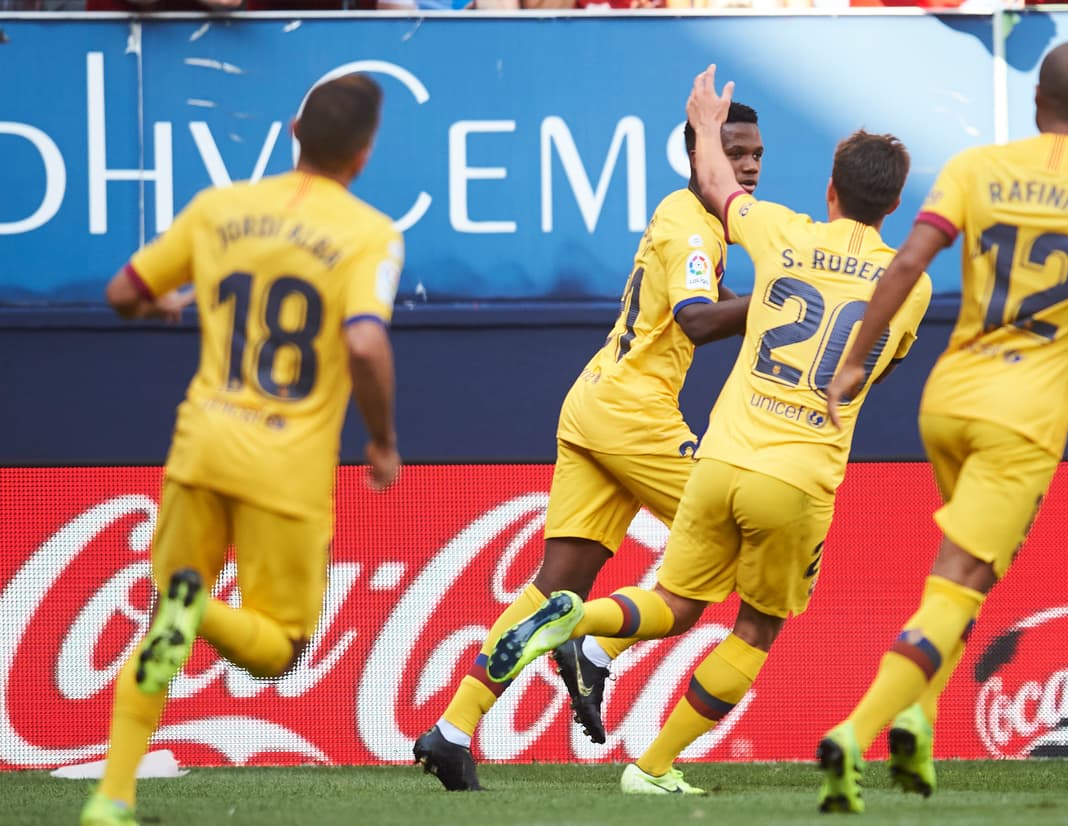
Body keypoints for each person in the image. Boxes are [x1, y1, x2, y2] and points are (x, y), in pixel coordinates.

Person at [482, 64, 932, 796]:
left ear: (829, 190)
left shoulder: (779, 231)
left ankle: (574, 619)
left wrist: (701, 122)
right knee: (753, 628)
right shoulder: (908, 283)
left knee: (676, 601)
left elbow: (721, 190)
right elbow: (872, 369)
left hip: (722, 455)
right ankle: (652, 766)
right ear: (895, 203)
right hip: (797, 478)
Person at [814, 39, 1068, 814]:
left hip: (946, 403)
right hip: (1024, 419)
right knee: (959, 584)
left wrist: (851, 362)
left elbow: (906, 264)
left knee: (965, 579)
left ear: (1036, 96)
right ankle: (855, 730)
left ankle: (922, 717)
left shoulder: (975, 169)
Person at [411, 100, 763, 791]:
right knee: (732, 543)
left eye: (756, 154)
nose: (749, 165)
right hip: (633, 416)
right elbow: (694, 321)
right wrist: (781, 295)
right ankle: (595, 649)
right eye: (736, 153)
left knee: (554, 585)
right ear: (700, 158)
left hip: (595, 404)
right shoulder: (692, 230)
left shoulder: (690, 219)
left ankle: (451, 731)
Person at [81, 74, 402, 826]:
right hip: (283, 469)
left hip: (201, 445)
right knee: (280, 649)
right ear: (364, 152)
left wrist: (161, 302)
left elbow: (122, 293)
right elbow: (364, 339)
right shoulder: (369, 233)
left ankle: (113, 795)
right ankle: (200, 614)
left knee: (169, 612)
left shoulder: (218, 209)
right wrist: (382, 439)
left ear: (294, 129)